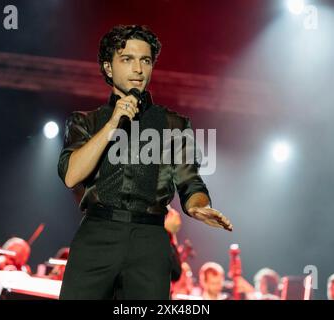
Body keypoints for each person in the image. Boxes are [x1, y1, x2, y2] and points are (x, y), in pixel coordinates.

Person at [57, 24, 233, 300]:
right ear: (108, 68)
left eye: (145, 60)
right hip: (97, 235)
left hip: (149, 239)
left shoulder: (174, 124)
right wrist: (113, 122)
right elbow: (71, 176)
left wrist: (198, 207)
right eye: (127, 59)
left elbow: (190, 181)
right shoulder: (85, 122)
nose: (138, 69)